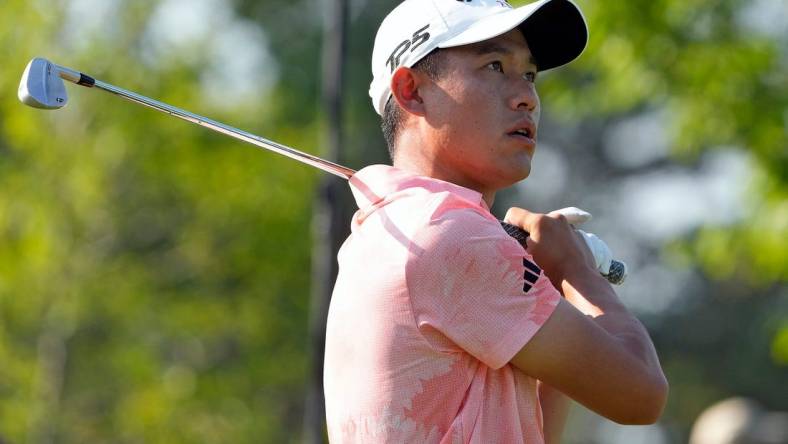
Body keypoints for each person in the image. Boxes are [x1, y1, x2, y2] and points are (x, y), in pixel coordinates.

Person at [323, 0, 668, 442]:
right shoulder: (450, 233)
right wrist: (579, 272)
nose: (526, 96)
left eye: (528, 74)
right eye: (493, 66)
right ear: (411, 90)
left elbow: (535, 434)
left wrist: (550, 287)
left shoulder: (384, 231)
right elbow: (640, 394)